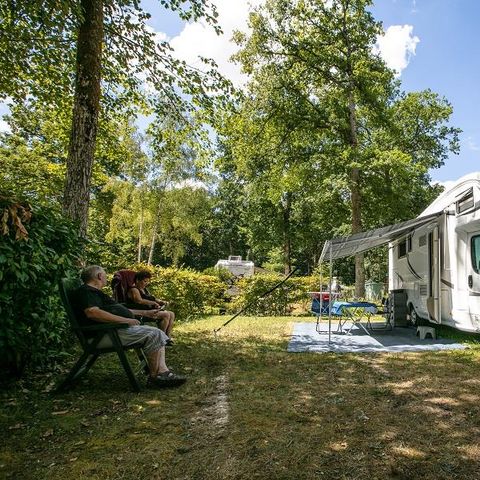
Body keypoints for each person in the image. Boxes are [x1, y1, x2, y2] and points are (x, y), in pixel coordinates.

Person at [73, 265, 186, 388]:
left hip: (112, 330)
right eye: (104, 274)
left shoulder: (96, 293)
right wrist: (125, 320)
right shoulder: (87, 291)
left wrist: (145, 313)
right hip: (103, 335)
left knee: (156, 332)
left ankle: (163, 372)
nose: (106, 277)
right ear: (100, 276)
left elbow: (119, 309)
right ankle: (155, 378)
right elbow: (92, 312)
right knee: (154, 333)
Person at [126, 270, 175, 344]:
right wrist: (153, 303)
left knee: (171, 314)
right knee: (166, 314)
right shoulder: (134, 289)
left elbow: (153, 298)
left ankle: (168, 337)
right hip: (141, 312)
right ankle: (161, 338)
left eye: (147, 281)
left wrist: (161, 302)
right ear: (137, 280)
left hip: (150, 310)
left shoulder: (144, 289)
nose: (146, 283)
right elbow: (139, 300)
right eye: (145, 281)